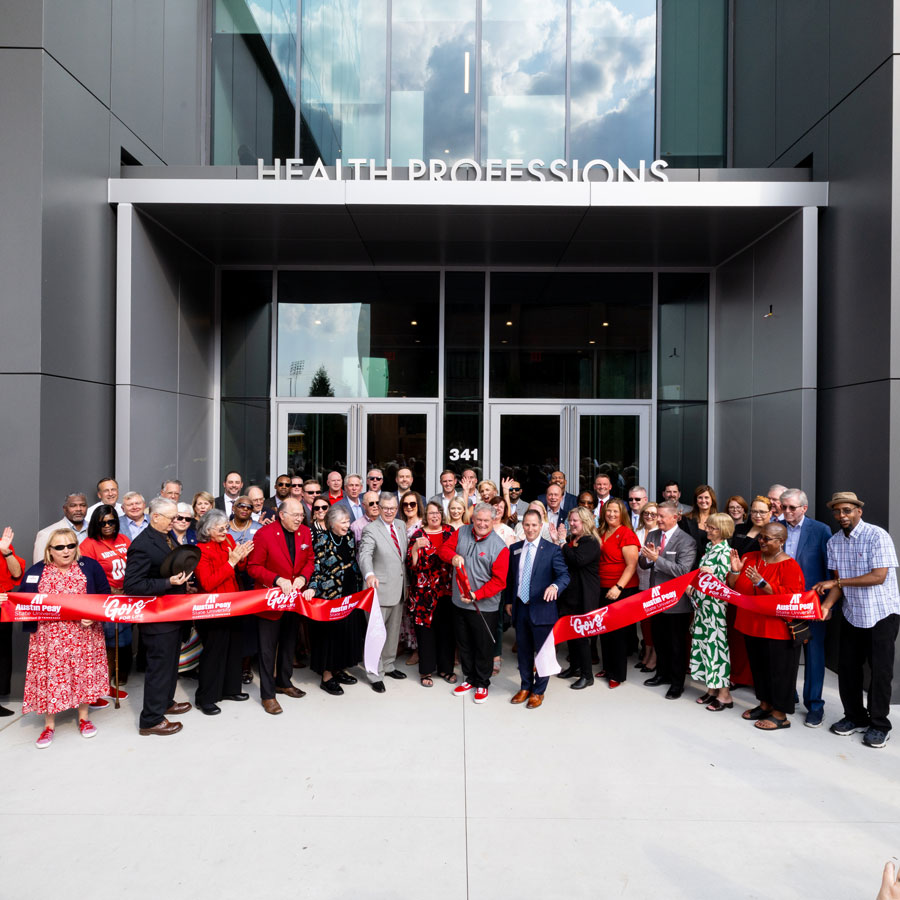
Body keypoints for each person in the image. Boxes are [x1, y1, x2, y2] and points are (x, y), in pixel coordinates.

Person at [3, 530, 110, 748]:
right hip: (49, 638)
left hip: (84, 635)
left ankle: (84, 718)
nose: (66, 551)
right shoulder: (36, 571)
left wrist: (93, 615)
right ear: (50, 550)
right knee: (50, 678)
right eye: (60, 547)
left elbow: (104, 596)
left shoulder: (90, 566)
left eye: (71, 546)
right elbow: (22, 600)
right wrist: (5, 598)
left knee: (83, 674)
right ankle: (49, 726)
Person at [814, 492, 900, 749]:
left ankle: (879, 725)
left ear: (858, 511)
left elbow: (878, 576)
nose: (842, 515)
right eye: (837, 511)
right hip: (853, 613)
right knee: (848, 669)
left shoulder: (877, 536)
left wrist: (837, 582)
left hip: (881, 613)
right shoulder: (834, 542)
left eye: (847, 510)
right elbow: (838, 584)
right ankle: (855, 717)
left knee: (880, 672)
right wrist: (826, 605)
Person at [124, 497, 194, 736]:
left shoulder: (166, 536)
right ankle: (151, 720)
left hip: (173, 614)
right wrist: (168, 583)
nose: (176, 522)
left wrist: (181, 583)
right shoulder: (142, 545)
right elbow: (132, 585)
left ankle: (165, 703)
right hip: (158, 618)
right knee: (159, 668)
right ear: (155, 517)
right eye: (172, 518)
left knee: (170, 664)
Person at [729, 522, 805, 731]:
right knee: (759, 668)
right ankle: (765, 705)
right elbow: (734, 586)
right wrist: (735, 570)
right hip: (751, 625)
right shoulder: (750, 558)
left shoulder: (790, 566)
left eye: (767, 539)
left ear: (781, 541)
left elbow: (791, 599)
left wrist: (763, 584)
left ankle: (780, 715)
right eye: (760, 537)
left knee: (780, 672)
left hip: (777, 629)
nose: (761, 541)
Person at [246, 499, 314, 714]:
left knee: (288, 643)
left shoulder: (305, 532)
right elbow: (253, 567)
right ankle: (268, 695)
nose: (299, 519)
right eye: (295, 515)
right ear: (282, 515)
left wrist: (303, 578)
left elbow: (310, 560)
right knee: (267, 651)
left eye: (301, 515)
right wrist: (277, 579)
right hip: (271, 601)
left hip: (293, 600)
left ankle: (284, 682)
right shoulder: (264, 534)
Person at [438, 502, 509, 703]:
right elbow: (443, 550)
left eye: (487, 520)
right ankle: (469, 678)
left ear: (493, 521)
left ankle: (482, 683)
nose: (482, 524)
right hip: (459, 603)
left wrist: (477, 595)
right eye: (479, 520)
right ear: (473, 519)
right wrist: (452, 557)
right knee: (464, 644)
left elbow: (499, 581)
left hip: (483, 606)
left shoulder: (500, 547)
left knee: (483, 646)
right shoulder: (461, 532)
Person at [504, 509, 570, 709]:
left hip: (542, 609)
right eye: (527, 525)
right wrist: (509, 601)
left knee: (543, 653)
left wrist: (555, 586)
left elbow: (564, 575)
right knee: (523, 651)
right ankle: (525, 686)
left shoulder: (552, 550)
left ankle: (538, 691)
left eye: (534, 525)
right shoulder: (515, 549)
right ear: (522, 526)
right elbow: (511, 578)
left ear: (541, 526)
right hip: (521, 608)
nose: (530, 529)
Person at [192, 510, 253, 715]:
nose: (225, 531)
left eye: (226, 527)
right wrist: (231, 562)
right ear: (207, 530)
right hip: (213, 610)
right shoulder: (200, 550)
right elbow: (208, 583)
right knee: (214, 653)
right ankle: (205, 698)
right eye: (220, 529)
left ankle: (231, 689)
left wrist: (241, 558)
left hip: (233, 605)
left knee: (234, 649)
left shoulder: (227, 540)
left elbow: (239, 567)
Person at [300, 506, 366, 695]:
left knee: (346, 632)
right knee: (330, 635)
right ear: (332, 523)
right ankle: (327, 676)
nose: (347, 525)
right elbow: (317, 566)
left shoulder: (349, 537)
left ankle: (339, 668)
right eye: (343, 522)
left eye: (348, 521)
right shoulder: (322, 539)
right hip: (330, 595)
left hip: (350, 591)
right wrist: (312, 587)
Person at [779, 488, 831, 727]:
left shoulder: (820, 530)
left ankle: (815, 705)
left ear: (804, 508)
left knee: (814, 655)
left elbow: (829, 569)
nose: (787, 511)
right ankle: (787, 697)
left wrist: (827, 605)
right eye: (784, 507)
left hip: (812, 603)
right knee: (784, 653)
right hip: (782, 602)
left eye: (792, 507)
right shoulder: (776, 527)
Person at [639, 501, 696, 700]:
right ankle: (661, 674)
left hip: (676, 602)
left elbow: (682, 571)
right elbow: (643, 563)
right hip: (656, 599)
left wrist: (657, 559)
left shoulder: (687, 541)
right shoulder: (653, 534)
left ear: (675, 517)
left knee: (676, 645)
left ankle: (677, 684)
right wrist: (648, 558)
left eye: (662, 516)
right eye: (657, 515)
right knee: (659, 640)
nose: (658, 519)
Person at [80, 505, 132, 699]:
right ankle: (101, 688)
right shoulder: (88, 545)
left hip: (126, 599)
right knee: (108, 644)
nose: (108, 526)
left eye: (111, 521)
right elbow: (87, 577)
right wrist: (110, 591)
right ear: (96, 524)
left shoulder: (124, 540)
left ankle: (108, 684)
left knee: (121, 643)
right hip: (105, 601)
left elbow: (134, 565)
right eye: (103, 523)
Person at [358, 495, 408, 692]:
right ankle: (374, 673)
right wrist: (369, 574)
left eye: (393, 508)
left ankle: (388, 665)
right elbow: (365, 554)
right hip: (379, 589)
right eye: (385, 508)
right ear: (378, 508)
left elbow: (400, 558)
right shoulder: (371, 529)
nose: (389, 511)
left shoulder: (401, 525)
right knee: (375, 634)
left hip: (399, 588)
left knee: (393, 632)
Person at [687, 512, 734, 711]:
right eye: (708, 526)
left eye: (712, 528)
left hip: (715, 607)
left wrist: (712, 575)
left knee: (717, 648)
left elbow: (726, 582)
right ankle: (712, 688)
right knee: (705, 646)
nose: (708, 530)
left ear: (722, 531)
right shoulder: (709, 548)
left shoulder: (725, 552)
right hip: (702, 606)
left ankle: (725, 694)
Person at [406, 502, 455, 687]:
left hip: (446, 590)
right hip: (423, 592)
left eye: (438, 512)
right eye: (431, 513)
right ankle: (426, 670)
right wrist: (415, 549)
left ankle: (445, 669)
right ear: (426, 516)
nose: (435, 516)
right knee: (426, 632)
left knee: (446, 630)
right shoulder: (418, 534)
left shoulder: (450, 532)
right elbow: (411, 564)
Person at [596, 498, 640, 688]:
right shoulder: (601, 532)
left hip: (621, 589)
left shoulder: (627, 534)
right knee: (604, 630)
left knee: (618, 634)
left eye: (616, 511)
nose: (612, 514)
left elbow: (631, 565)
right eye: (609, 511)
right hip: (602, 587)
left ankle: (617, 674)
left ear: (622, 514)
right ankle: (607, 667)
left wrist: (618, 587)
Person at [558, 507, 602, 690]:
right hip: (570, 594)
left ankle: (587, 675)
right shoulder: (572, 539)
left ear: (585, 522)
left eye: (575, 520)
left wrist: (561, 542)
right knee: (571, 632)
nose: (572, 524)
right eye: (570, 520)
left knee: (581, 636)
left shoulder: (590, 541)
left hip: (585, 594)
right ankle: (575, 667)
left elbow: (577, 560)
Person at [0, 527, 25, 716]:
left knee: (2, 654)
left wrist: (6, 552)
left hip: (2, 608)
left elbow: (16, 574)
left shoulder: (3, 545)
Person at [634, 502, 659, 673]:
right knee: (644, 622)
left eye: (653, 514)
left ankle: (654, 655)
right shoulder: (637, 532)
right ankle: (647, 651)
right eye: (646, 513)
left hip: (656, 583)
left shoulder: (660, 533)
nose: (649, 516)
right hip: (639, 582)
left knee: (654, 623)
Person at [33, 492, 89, 562]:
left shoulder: (97, 529)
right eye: (73, 506)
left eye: (83, 505)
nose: (78, 509)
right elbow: (39, 565)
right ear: (65, 509)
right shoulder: (46, 534)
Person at [680, 484, 718, 566]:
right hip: (690, 565)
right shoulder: (686, 519)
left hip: (712, 564)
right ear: (696, 501)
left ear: (712, 500)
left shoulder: (719, 520)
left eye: (706, 497)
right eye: (700, 497)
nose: (703, 500)